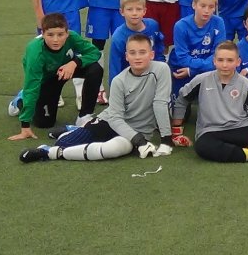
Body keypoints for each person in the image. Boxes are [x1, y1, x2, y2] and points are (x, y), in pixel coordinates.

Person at [19, 34, 174, 163]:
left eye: (142, 52)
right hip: (111, 122)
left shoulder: (162, 69)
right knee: (64, 142)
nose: (138, 57)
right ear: (126, 56)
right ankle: (76, 129)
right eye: (132, 53)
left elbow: (160, 103)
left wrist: (166, 140)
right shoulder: (119, 81)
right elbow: (115, 118)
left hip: (139, 130)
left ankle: (49, 153)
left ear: (151, 54)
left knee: (114, 149)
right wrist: (138, 140)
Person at [173, 41, 248, 166]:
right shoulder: (201, 80)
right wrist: (177, 132)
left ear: (238, 62)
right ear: (214, 61)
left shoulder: (246, 84)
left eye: (230, 60)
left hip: (241, 127)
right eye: (220, 60)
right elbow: (182, 99)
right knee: (202, 147)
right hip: (211, 131)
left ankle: (246, 150)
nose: (225, 65)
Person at [7, 13, 103, 141]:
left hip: (66, 69)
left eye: (60, 34)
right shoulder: (35, 52)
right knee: (44, 123)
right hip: (46, 80)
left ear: (67, 33)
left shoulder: (72, 37)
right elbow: (32, 86)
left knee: (95, 69)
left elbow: (94, 52)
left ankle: (85, 116)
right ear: (42, 34)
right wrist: (25, 126)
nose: (56, 40)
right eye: (50, 35)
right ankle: (20, 101)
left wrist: (74, 63)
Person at [167, 0, 226, 100]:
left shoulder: (219, 22)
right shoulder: (181, 26)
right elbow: (182, 58)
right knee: (181, 104)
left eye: (211, 7)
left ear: (215, 8)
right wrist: (204, 66)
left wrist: (192, 71)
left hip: (199, 68)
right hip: (182, 68)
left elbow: (219, 55)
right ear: (194, 5)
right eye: (203, 6)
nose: (206, 10)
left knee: (212, 102)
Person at [108, 0, 166, 83]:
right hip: (131, 78)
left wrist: (161, 68)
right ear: (122, 12)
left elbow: (158, 48)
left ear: (144, 11)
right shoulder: (118, 37)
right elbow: (115, 67)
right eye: (129, 9)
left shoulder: (153, 25)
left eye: (138, 9)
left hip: (153, 74)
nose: (134, 13)